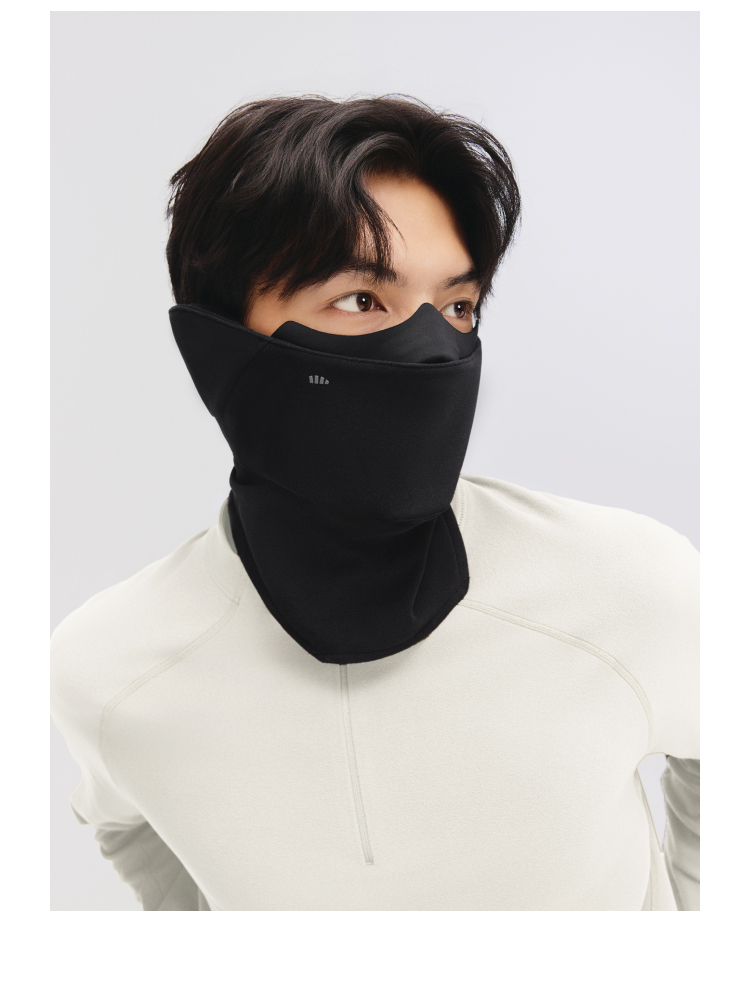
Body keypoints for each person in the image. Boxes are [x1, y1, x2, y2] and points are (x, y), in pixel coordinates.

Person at [50, 95, 699, 911]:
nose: (430, 350)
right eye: (361, 300)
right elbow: (124, 826)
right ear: (219, 348)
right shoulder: (112, 668)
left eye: (457, 306)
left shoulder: (628, 584)